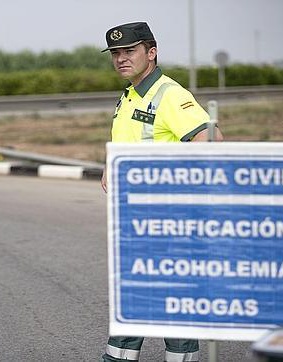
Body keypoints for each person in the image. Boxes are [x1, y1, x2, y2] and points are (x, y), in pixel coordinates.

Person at [100, 22, 224, 362]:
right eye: (115, 54)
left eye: (129, 51)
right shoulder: (130, 94)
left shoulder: (171, 95)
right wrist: (111, 163)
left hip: (168, 220)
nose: (121, 59)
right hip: (136, 219)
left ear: (151, 52)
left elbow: (211, 144)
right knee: (136, 294)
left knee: (173, 298)